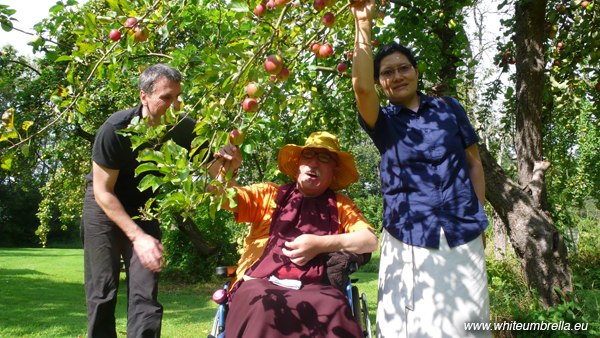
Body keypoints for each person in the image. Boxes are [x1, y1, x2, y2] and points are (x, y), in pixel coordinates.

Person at [350, 2, 491, 337]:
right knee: (409, 327)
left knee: (467, 323)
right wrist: (363, 24)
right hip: (408, 237)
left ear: (416, 71)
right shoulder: (382, 122)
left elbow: (473, 163)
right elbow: (361, 87)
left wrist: (478, 215)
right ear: (381, 82)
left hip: (462, 231)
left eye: (403, 68)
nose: (397, 76)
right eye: (387, 72)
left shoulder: (449, 109)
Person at [211, 131, 378, 338]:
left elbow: (369, 240)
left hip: (317, 287)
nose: (314, 164)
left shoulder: (341, 205)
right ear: (298, 164)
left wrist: (319, 244)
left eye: (324, 158)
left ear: (334, 171)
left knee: (333, 307)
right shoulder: (268, 195)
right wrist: (227, 169)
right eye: (308, 156)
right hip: (261, 281)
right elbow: (222, 195)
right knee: (264, 304)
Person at [81, 63, 198, 337]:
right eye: (166, 97)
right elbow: (103, 191)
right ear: (143, 96)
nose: (174, 104)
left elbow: (217, 171)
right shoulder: (115, 129)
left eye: (178, 96)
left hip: (145, 211)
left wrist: (231, 161)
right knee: (102, 291)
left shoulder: (183, 127)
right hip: (104, 206)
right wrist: (138, 237)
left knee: (145, 294)